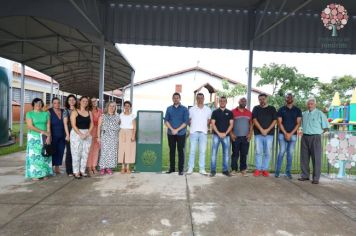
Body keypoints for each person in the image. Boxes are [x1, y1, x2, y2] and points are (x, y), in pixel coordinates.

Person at [298, 97, 329, 184]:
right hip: (305, 137)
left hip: (315, 137)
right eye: (308, 104)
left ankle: (316, 178)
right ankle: (305, 175)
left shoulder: (320, 114)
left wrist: (320, 133)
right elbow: (299, 124)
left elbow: (326, 127)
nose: (310, 105)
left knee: (316, 158)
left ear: (315, 104)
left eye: (311, 104)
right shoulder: (304, 114)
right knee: (304, 158)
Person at [275, 93, 302, 179]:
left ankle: (288, 172)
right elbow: (279, 123)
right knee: (281, 152)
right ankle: (277, 172)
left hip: (293, 135)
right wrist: (286, 133)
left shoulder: (297, 110)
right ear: (285, 99)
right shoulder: (281, 109)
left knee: (290, 154)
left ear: (293, 98)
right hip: (282, 135)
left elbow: (298, 124)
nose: (289, 98)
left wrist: (290, 134)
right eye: (287, 97)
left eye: (290, 97)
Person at [25, 98, 53, 180]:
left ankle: (44, 173)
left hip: (45, 137)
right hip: (33, 137)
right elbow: (30, 126)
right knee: (35, 155)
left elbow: (48, 126)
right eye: (36, 103)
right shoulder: (29, 114)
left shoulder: (46, 114)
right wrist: (42, 132)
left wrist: (49, 136)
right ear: (33, 104)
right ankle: (35, 174)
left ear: (42, 105)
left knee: (45, 154)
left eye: (40, 103)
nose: (38, 105)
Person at [252, 93, 277, 177]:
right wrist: (262, 130)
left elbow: (274, 121)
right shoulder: (256, 108)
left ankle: (264, 169)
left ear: (267, 99)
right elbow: (254, 120)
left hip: (269, 134)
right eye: (260, 99)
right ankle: (258, 169)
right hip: (258, 134)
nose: (262, 101)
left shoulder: (272, 108)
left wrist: (267, 130)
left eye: (263, 99)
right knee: (258, 152)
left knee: (267, 152)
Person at [186, 93, 212, 175]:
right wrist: (193, 127)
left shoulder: (208, 110)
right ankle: (190, 168)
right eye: (198, 98)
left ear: (204, 99)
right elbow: (188, 120)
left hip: (203, 133)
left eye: (201, 98)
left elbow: (209, 121)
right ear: (196, 99)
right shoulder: (191, 109)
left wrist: (204, 127)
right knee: (192, 151)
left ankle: (202, 169)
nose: (200, 99)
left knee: (202, 151)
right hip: (193, 132)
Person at [164, 92, 189, 175]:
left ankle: (181, 170)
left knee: (180, 151)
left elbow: (186, 122)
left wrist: (177, 130)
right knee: (172, 151)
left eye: (177, 98)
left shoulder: (185, 109)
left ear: (180, 99)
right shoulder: (169, 109)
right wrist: (172, 129)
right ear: (172, 99)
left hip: (181, 133)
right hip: (171, 133)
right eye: (174, 98)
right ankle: (172, 168)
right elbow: (166, 121)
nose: (176, 99)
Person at [70, 96, 93, 179]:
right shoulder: (75, 112)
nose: (85, 102)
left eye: (86, 101)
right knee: (76, 153)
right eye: (83, 101)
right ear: (80, 101)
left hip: (87, 133)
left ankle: (82, 171)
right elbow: (73, 125)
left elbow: (92, 124)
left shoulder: (89, 112)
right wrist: (80, 134)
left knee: (85, 153)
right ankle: (76, 172)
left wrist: (87, 133)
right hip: (76, 134)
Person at [210, 96, 234, 177]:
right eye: (221, 101)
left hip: (226, 136)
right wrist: (219, 133)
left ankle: (225, 170)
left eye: (224, 101)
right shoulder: (215, 112)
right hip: (216, 136)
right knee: (214, 153)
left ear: (226, 102)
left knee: (226, 154)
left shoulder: (230, 112)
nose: (222, 102)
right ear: (219, 102)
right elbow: (213, 124)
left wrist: (225, 133)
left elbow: (231, 124)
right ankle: (213, 170)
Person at [230, 97, 253, 177]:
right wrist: (231, 133)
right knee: (235, 154)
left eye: (245, 101)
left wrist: (250, 134)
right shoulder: (232, 112)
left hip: (245, 137)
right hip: (235, 137)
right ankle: (234, 169)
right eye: (242, 101)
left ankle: (243, 170)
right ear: (238, 102)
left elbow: (251, 124)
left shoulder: (249, 113)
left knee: (244, 154)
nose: (243, 102)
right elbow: (230, 124)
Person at [98, 101, 120, 175]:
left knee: (112, 153)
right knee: (104, 152)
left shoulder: (117, 116)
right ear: (107, 107)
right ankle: (102, 167)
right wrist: (98, 137)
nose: (112, 107)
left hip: (114, 137)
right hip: (105, 136)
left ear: (115, 108)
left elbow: (119, 126)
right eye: (110, 106)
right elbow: (99, 127)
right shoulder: (103, 116)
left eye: (113, 106)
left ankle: (109, 168)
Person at [48, 97, 65, 174]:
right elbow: (47, 124)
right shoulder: (49, 111)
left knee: (60, 151)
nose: (57, 104)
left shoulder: (63, 111)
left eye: (58, 103)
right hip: (53, 135)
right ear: (52, 104)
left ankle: (57, 167)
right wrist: (49, 135)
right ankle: (50, 167)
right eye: (55, 103)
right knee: (53, 151)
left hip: (63, 135)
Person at [118, 101, 137, 174]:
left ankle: (128, 167)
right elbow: (118, 124)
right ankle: (122, 167)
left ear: (130, 107)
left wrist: (133, 135)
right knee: (122, 149)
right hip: (122, 132)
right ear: (123, 107)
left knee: (129, 150)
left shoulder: (132, 115)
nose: (126, 107)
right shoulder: (121, 115)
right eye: (125, 106)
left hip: (130, 132)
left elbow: (134, 127)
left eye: (128, 106)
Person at [87, 97, 102, 176]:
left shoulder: (100, 110)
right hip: (90, 131)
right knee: (90, 150)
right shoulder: (88, 111)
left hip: (98, 131)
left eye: (95, 101)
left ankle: (94, 166)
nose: (94, 102)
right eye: (92, 101)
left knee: (96, 150)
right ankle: (89, 167)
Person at [63, 94, 77, 176]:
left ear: (75, 101)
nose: (72, 101)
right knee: (69, 152)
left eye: (73, 100)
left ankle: (76, 169)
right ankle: (69, 170)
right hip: (69, 133)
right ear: (68, 102)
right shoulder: (66, 111)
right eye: (70, 100)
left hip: (78, 133)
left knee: (77, 152)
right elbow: (65, 124)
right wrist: (67, 135)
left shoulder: (78, 110)